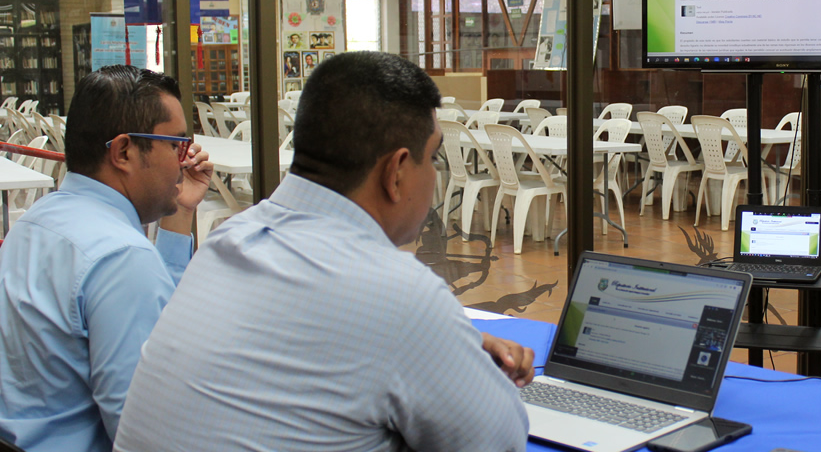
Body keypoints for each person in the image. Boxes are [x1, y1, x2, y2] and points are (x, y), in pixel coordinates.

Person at [114, 52, 532, 452]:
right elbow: (500, 439)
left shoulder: (230, 240)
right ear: (397, 171)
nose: (435, 174)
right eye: (433, 157)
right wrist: (442, 340)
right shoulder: (399, 293)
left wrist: (450, 342)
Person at [0, 65, 213, 452]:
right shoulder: (121, 257)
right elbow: (146, 432)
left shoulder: (36, 222)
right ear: (124, 151)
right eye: (175, 144)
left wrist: (179, 213)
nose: (185, 160)